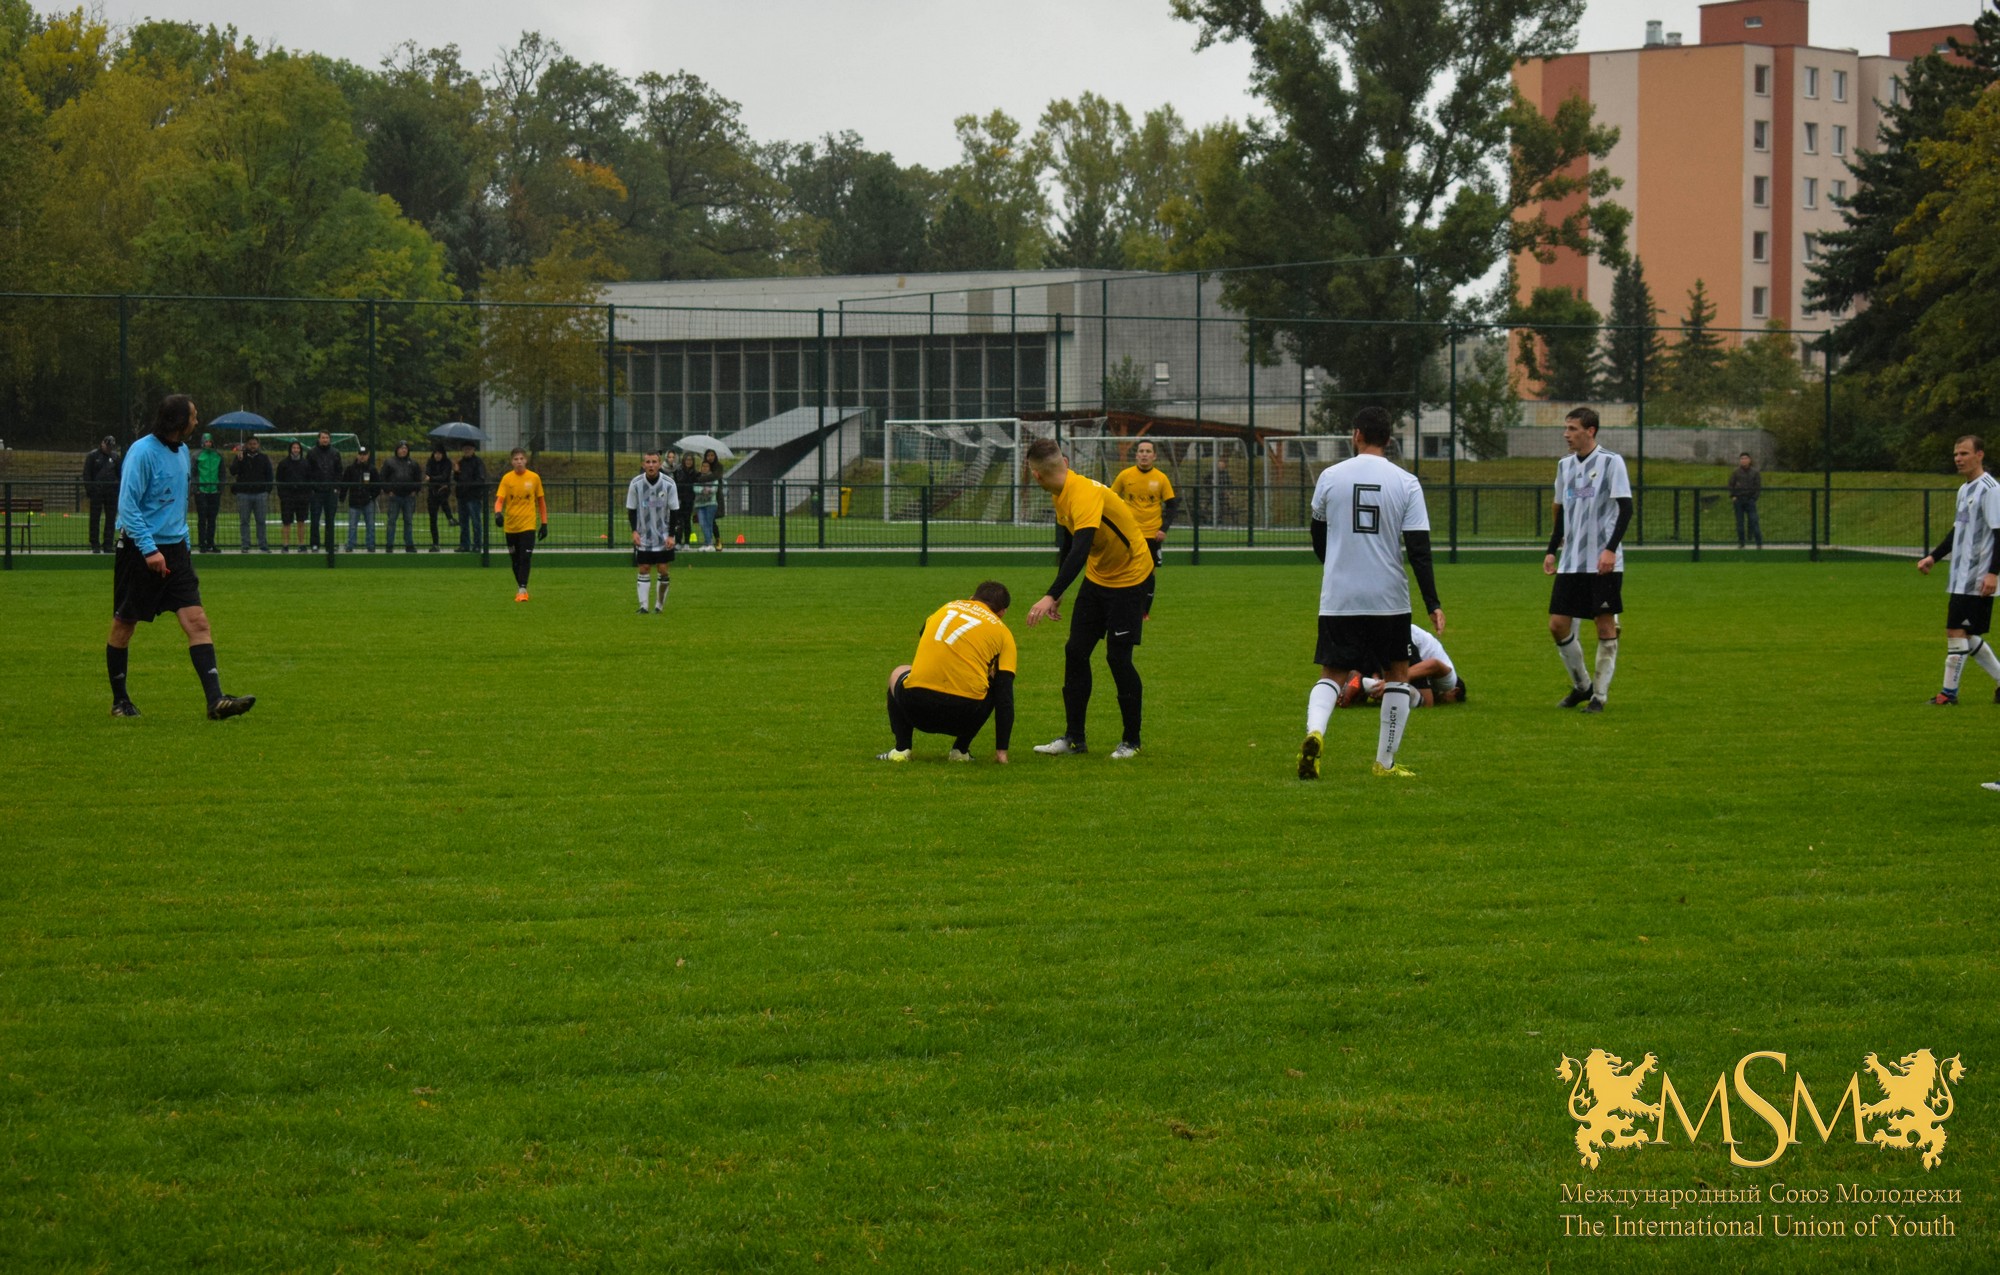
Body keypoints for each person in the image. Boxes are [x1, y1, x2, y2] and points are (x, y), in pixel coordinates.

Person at [1297, 406, 1443, 780]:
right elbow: (1419, 549)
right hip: (1388, 598)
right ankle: (1384, 762)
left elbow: (1317, 534)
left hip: (1340, 595)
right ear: (1389, 440)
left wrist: (1335, 566)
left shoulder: (1330, 476)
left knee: (1332, 672)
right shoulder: (1407, 482)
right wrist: (1433, 602)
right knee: (1397, 674)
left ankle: (1315, 732)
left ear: (1356, 435)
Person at [105, 394, 255, 721]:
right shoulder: (142, 452)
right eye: (194, 416)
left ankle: (216, 701)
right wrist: (149, 549)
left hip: (176, 552)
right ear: (178, 421)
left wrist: (183, 544)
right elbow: (127, 507)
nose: (197, 422)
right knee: (125, 624)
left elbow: (176, 505)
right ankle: (120, 701)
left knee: (198, 621)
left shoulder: (184, 451)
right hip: (139, 551)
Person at [1023, 436, 1153, 760]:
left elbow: (1081, 549)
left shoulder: (1084, 494)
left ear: (1035, 475)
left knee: (1117, 658)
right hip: (1099, 577)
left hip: (1131, 578)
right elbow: (1070, 543)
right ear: (1065, 462)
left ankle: (1132, 741)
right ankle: (1074, 739)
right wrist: (1059, 594)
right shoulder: (1062, 492)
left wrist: (1050, 594)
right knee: (1076, 651)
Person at [1544, 406, 1632, 713]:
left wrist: (1610, 549)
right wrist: (1551, 550)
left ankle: (1599, 697)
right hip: (1571, 562)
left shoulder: (1611, 462)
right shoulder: (1564, 465)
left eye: (1572, 429)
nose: (1566, 434)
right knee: (1557, 624)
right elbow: (1561, 511)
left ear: (1590, 431)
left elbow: (1626, 509)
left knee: (1604, 626)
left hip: (1602, 563)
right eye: (1566, 428)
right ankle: (1582, 685)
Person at [879, 581, 1017, 763]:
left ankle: (901, 749)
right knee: (995, 681)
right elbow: (1005, 698)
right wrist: (1002, 751)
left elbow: (924, 635)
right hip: (964, 717)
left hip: (917, 709)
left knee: (900, 671)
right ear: (1002, 613)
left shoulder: (947, 607)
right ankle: (960, 750)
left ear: (971, 599)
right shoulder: (1004, 634)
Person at [1916, 434, 2000, 705]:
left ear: (1979, 455)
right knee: (1967, 635)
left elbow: (1999, 534)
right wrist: (1934, 557)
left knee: (1955, 632)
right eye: (1956, 454)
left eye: (1964, 453)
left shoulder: (1991, 489)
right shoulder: (1964, 490)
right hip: (1961, 576)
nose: (1958, 459)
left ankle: (1948, 694)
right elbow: (1958, 530)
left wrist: (1993, 573)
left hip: (1978, 577)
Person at [1346, 623, 1466, 709]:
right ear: (1455, 691)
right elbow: (1433, 664)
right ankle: (1360, 682)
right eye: (1449, 701)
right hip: (1404, 638)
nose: (1444, 702)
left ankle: (1358, 683)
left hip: (1384, 631)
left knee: (1379, 690)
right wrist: (1391, 682)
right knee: (1427, 702)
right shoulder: (1449, 682)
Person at [1109, 439, 1180, 572]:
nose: (1144, 454)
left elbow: (1171, 506)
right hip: (1130, 531)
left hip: (1153, 534)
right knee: (1128, 569)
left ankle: (1149, 587)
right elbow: (1111, 499)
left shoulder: (1161, 478)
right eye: (1141, 451)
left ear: (1154, 456)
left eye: (1148, 451)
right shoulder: (1125, 475)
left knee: (1150, 570)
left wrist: (1163, 529)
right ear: (1136, 455)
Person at [625, 449, 680, 613]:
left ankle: (659, 606)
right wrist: (634, 531)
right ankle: (643, 607)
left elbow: (674, 510)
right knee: (644, 568)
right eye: (648, 462)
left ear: (659, 464)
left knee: (663, 569)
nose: (651, 465)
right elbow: (631, 509)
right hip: (644, 535)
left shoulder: (669, 484)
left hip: (663, 536)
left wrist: (671, 535)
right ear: (643, 464)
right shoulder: (636, 484)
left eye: (654, 462)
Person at [494, 447, 548, 601]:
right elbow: (499, 500)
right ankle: (521, 587)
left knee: (525, 557)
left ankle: (522, 589)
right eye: (516, 459)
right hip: (511, 527)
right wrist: (498, 513)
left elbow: (541, 502)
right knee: (515, 560)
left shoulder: (534, 478)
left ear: (526, 460)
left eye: (521, 459)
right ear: (512, 462)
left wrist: (544, 523)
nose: (519, 462)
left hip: (528, 525)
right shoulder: (507, 479)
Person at [228, 434, 274, 552]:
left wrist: (267, 491)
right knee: (244, 521)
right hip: (243, 493)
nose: (252, 446)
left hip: (260, 494)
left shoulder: (264, 458)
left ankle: (263, 545)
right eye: (250, 444)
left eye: (254, 444)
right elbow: (233, 471)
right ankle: (245, 545)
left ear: (258, 445)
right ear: (246, 445)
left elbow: (270, 475)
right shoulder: (240, 457)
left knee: (261, 521)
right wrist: (239, 460)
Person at [379, 441, 422, 553]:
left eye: (405, 448)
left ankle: (409, 545)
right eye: (402, 448)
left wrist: (415, 490)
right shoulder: (389, 462)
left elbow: (418, 479)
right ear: (397, 449)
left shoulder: (413, 463)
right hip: (395, 497)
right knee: (391, 521)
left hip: (409, 497)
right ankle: (389, 545)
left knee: (408, 521)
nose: (404, 450)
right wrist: (388, 491)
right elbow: (383, 478)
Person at [303, 431, 342, 551]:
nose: (325, 440)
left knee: (330, 519)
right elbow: (307, 472)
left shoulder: (335, 453)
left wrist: (336, 487)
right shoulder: (311, 453)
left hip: (331, 491)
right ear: (319, 439)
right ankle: (315, 544)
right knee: (315, 519)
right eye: (323, 437)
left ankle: (329, 544)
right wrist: (312, 487)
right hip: (316, 492)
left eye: (327, 437)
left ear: (330, 439)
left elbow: (339, 471)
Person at [82, 435, 121, 553]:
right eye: (107, 445)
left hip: (111, 493)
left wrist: (117, 489)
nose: (109, 448)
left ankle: (108, 544)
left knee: (110, 519)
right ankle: (95, 544)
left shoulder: (115, 457)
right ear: (102, 443)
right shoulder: (93, 456)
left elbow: (119, 474)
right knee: (94, 519)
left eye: (111, 446)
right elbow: (87, 474)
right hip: (97, 493)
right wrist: (90, 490)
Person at [190, 431, 224, 552]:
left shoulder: (218, 455)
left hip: (214, 491)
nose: (208, 443)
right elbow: (193, 473)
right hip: (202, 491)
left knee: (212, 519)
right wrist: (196, 489)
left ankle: (210, 543)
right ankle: (202, 544)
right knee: (202, 518)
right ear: (202, 442)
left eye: (209, 441)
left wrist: (220, 488)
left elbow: (222, 473)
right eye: (206, 441)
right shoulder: (196, 455)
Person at [341, 445, 379, 552]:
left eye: (364, 454)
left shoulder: (372, 469)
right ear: (357, 455)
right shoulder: (350, 469)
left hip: (368, 502)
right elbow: (344, 484)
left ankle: (370, 545)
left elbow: (377, 485)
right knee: (352, 525)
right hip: (354, 501)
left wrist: (372, 496)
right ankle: (350, 545)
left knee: (370, 525)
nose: (362, 456)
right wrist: (342, 497)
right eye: (360, 454)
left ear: (368, 455)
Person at [275, 441, 309, 552]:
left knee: (301, 521)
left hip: (302, 498)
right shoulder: (283, 463)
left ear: (300, 450)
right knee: (286, 522)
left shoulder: (305, 463)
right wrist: (283, 495)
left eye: (298, 448)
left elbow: (309, 480)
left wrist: (307, 495)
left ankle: (301, 544)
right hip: (287, 498)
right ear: (290, 449)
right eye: (294, 448)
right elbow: (279, 480)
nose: (296, 450)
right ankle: (285, 545)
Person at [455, 443, 488, 553]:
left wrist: (468, 485)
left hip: (473, 496)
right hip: (462, 496)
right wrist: (456, 472)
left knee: (475, 522)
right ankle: (464, 545)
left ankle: (477, 545)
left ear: (473, 450)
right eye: (465, 448)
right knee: (463, 522)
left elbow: (481, 479)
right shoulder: (460, 463)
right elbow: (456, 479)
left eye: (469, 449)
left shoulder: (478, 462)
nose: (467, 450)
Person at [424, 443, 457, 551]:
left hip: (443, 491)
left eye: (439, 453)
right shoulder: (430, 462)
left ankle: (450, 518)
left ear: (443, 454)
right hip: (432, 492)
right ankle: (435, 543)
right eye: (435, 453)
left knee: (443, 498)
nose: (437, 455)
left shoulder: (447, 463)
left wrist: (432, 479)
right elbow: (428, 474)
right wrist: (436, 480)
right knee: (433, 520)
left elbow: (444, 476)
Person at [1728, 451, 1763, 549]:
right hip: (1738, 500)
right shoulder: (1736, 472)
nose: (1743, 460)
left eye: (1745, 458)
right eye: (1742, 459)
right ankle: (1741, 543)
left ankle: (1759, 543)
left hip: (1750, 500)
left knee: (1754, 521)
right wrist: (1733, 496)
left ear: (1749, 460)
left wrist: (1754, 498)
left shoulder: (1755, 472)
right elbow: (1731, 484)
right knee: (1740, 523)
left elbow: (1757, 487)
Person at [694, 449, 723, 550]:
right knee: (703, 523)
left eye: (712, 455)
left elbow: (715, 483)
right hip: (700, 503)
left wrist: (703, 484)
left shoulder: (718, 468)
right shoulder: (698, 475)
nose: (710, 457)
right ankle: (708, 543)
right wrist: (703, 489)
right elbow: (695, 487)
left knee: (710, 522)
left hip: (713, 500)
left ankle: (713, 542)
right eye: (708, 455)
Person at [671, 451, 699, 549]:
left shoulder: (695, 473)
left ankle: (687, 542)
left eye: (690, 460)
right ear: (683, 461)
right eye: (687, 460)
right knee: (678, 522)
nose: (688, 462)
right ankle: (678, 542)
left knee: (687, 521)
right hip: (679, 499)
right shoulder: (678, 471)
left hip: (689, 500)